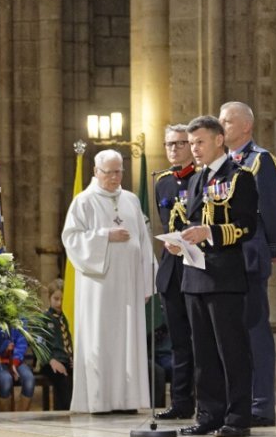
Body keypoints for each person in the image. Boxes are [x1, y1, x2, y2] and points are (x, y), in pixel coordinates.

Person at [166, 115, 258, 437]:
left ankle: (237, 417)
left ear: (219, 140)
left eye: (200, 142)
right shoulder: (194, 180)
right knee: (202, 351)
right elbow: (188, 221)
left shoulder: (239, 177)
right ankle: (209, 413)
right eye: (191, 143)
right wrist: (179, 242)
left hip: (224, 275)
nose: (195, 149)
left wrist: (211, 232)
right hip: (194, 274)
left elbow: (247, 225)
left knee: (231, 349)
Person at [60, 149, 154, 414]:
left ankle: (127, 400)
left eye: (119, 171)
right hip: (98, 287)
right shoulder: (84, 201)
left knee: (128, 338)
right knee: (100, 339)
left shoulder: (132, 200)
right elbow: (71, 239)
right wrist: (104, 236)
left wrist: (147, 282)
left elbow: (144, 241)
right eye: (109, 172)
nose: (115, 177)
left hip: (128, 285)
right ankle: (99, 401)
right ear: (96, 172)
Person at [219, 101, 276, 427]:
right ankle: (239, 402)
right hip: (225, 259)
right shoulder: (222, 164)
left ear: (246, 126)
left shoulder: (259, 161)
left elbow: (274, 209)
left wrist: (273, 248)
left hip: (249, 255)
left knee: (255, 331)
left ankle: (262, 406)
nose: (223, 127)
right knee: (231, 333)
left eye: (228, 122)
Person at [152, 125, 198, 420]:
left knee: (202, 341)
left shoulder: (202, 178)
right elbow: (165, 220)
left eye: (180, 143)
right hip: (172, 270)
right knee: (179, 342)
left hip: (197, 265)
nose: (173, 149)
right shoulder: (162, 182)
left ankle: (207, 401)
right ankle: (181, 403)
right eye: (169, 144)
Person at [0, 326, 36, 411]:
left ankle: (21, 418)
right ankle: (6, 418)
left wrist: (15, 362)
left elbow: (21, 342)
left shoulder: (18, 320)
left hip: (16, 359)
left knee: (29, 379)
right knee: (6, 379)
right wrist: (4, 346)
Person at [42, 280, 73, 411]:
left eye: (62, 299)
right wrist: (52, 360)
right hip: (50, 362)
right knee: (63, 382)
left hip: (65, 361)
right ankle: (63, 415)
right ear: (49, 298)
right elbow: (39, 345)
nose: (59, 303)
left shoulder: (65, 318)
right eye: (56, 299)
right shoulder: (44, 318)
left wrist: (72, 357)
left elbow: (69, 340)